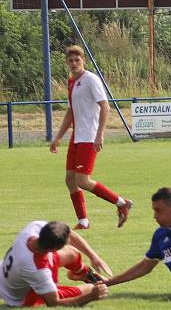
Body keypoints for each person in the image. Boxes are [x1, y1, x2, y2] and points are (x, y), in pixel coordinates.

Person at [50, 45, 132, 230]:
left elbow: (105, 106)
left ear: (83, 61)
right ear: (67, 63)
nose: (74, 63)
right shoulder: (72, 82)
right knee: (70, 179)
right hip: (77, 136)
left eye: (77, 60)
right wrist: (58, 138)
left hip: (89, 136)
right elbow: (71, 112)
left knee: (83, 181)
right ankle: (83, 221)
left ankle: (121, 203)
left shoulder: (91, 80)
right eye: (70, 61)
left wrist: (99, 134)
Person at [0, 220, 110, 307]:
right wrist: (90, 297)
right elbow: (54, 303)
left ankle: (83, 274)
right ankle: (88, 284)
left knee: (71, 253)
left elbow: (69, 233)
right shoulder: (38, 270)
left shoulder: (34, 227)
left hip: (3, 276)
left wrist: (94, 257)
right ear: (53, 249)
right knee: (91, 288)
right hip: (22, 298)